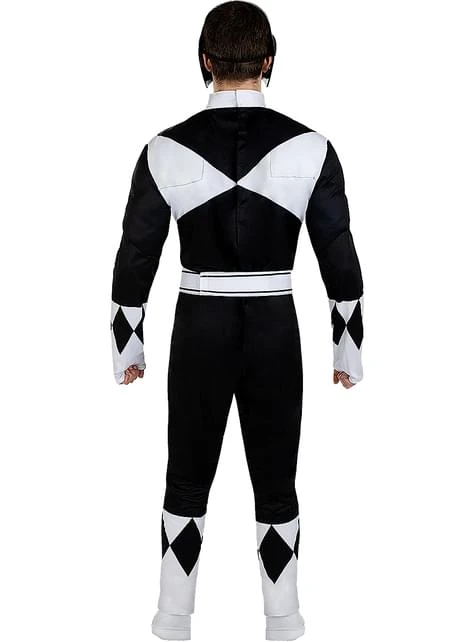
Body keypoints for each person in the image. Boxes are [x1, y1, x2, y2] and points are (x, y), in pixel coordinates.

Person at [110, 1, 364, 639]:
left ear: (205, 60)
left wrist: (128, 341)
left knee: (185, 476)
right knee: (277, 481)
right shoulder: (312, 148)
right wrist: (347, 346)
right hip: (275, 326)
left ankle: (173, 617)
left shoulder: (164, 150)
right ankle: (284, 619)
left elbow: (136, 253)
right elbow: (338, 253)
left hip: (199, 325)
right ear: (269, 60)